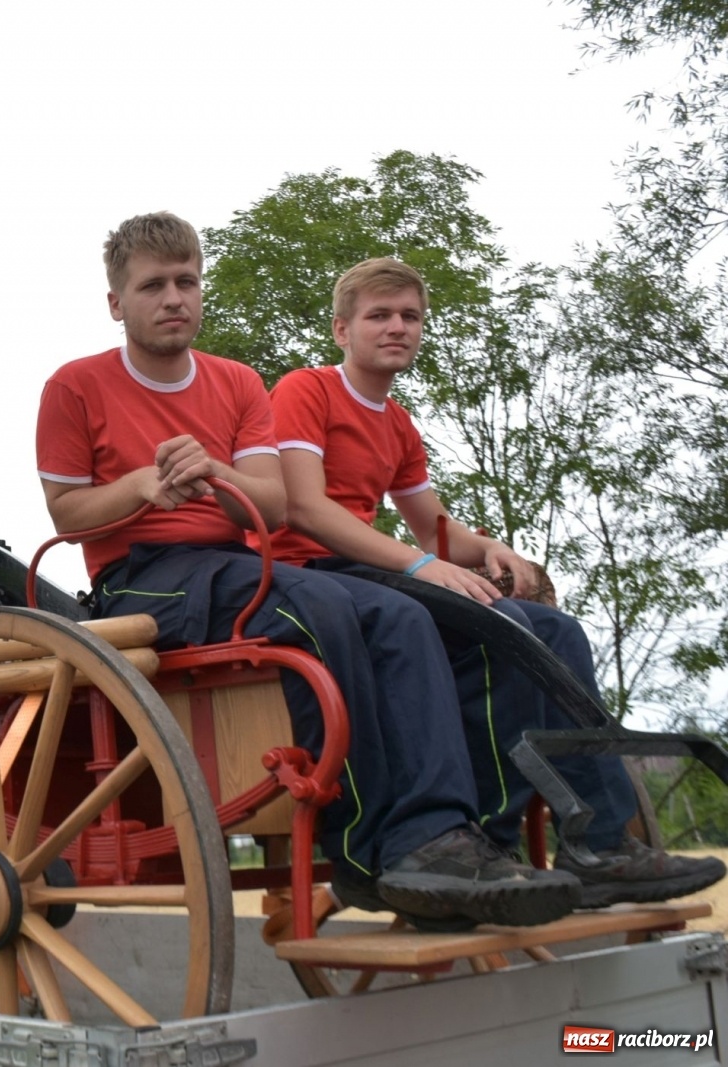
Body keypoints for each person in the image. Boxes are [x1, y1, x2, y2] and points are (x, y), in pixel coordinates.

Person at [35, 211, 580, 930]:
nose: (174, 297)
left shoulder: (236, 383)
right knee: (318, 607)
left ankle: (441, 833)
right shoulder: (75, 387)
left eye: (187, 281)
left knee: (400, 612)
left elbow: (271, 501)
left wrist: (217, 474)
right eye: (153, 286)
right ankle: (362, 846)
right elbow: (68, 515)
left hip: (238, 558)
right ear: (117, 303)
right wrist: (143, 483)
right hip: (143, 572)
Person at [266, 256, 725, 907]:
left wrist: (490, 548)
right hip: (315, 576)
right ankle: (476, 833)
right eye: (379, 315)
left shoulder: (396, 424)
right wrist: (426, 566)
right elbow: (306, 508)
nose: (397, 327)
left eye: (410, 316)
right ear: (343, 329)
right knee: (497, 624)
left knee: (556, 630)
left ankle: (600, 842)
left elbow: (434, 529)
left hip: (375, 569)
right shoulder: (307, 391)